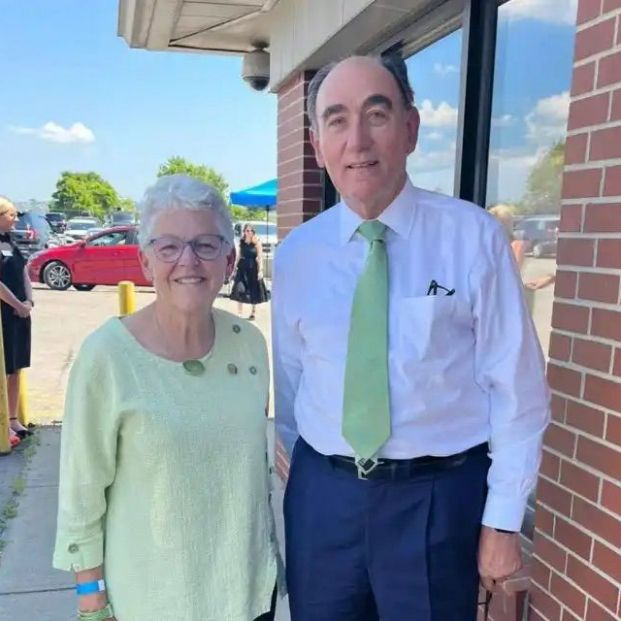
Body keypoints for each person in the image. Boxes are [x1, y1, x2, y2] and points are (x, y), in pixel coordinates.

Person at [272, 55, 550, 621]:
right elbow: (292, 378)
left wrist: (501, 520)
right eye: (336, 120)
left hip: (436, 505)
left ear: (411, 128)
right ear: (316, 141)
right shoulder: (298, 254)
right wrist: (306, 478)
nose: (357, 140)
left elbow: (517, 389)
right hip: (325, 503)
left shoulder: (472, 239)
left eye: (377, 113)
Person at [54, 175, 281, 621]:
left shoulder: (250, 345)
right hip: (154, 600)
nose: (188, 261)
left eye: (206, 245)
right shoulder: (108, 357)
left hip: (248, 594)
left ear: (230, 259)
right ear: (144, 261)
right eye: (169, 247)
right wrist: (91, 597)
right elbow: (81, 493)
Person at [0, 197, 34, 449]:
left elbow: (23, 270)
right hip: (5, 313)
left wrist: (29, 301)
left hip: (20, 313)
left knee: (17, 367)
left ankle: (13, 419)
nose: (16, 219)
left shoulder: (11, 241)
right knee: (5, 367)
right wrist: (17, 305)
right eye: (12, 214)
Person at [230, 223, 270, 320]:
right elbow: (239, 256)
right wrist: (234, 268)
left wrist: (260, 271)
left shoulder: (257, 242)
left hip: (253, 268)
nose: (249, 232)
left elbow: (259, 257)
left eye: (251, 231)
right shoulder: (242, 242)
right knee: (239, 289)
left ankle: (253, 312)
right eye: (247, 231)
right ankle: (239, 313)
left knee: (253, 290)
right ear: (244, 232)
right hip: (242, 267)